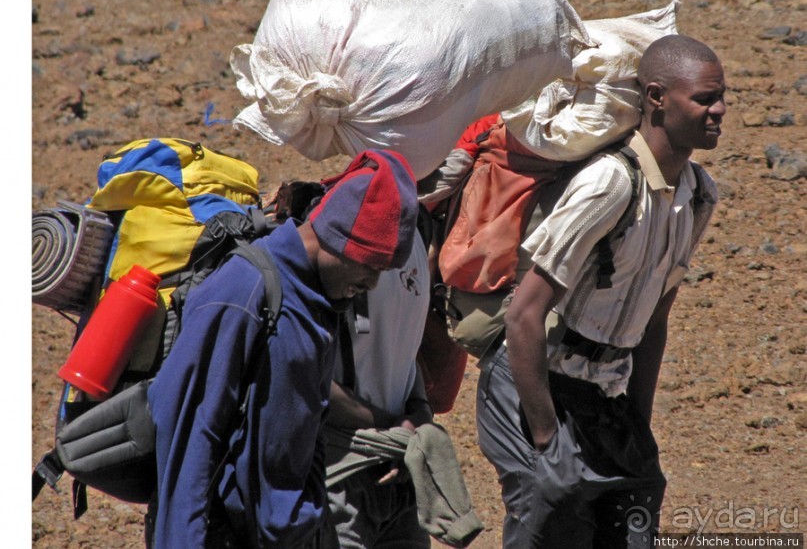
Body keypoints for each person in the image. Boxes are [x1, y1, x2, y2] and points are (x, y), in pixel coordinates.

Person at [475, 34, 726, 547]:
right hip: (534, 384)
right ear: (656, 98)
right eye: (704, 98)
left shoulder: (699, 195)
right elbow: (524, 314)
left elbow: (654, 322)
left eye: (722, 97)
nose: (719, 110)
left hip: (604, 395)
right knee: (554, 513)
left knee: (633, 518)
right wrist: (546, 441)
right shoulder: (610, 183)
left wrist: (638, 422)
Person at [146, 149, 420, 549]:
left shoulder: (320, 300)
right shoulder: (245, 287)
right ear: (337, 238)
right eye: (370, 267)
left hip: (295, 531)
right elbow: (187, 431)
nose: (372, 284)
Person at [316, 216, 434, 549]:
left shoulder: (416, 236)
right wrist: (398, 429)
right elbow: (308, 375)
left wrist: (417, 415)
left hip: (400, 464)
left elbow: (404, 351)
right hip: (342, 467)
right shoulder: (335, 233)